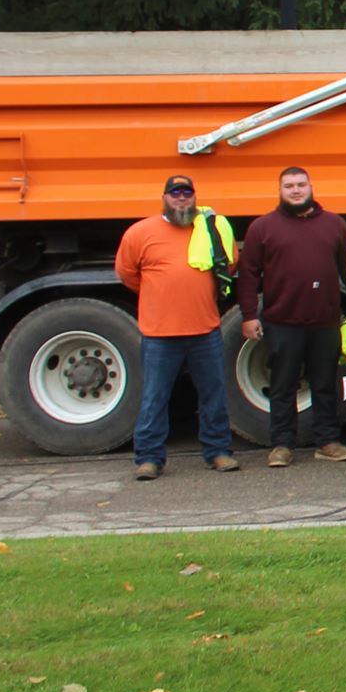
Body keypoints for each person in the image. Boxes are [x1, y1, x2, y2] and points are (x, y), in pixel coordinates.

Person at [117, 174, 240, 480]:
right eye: (175, 193)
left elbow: (228, 265)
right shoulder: (140, 233)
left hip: (205, 331)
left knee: (213, 396)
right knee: (154, 398)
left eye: (187, 193)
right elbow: (128, 274)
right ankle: (149, 458)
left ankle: (218, 452)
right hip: (160, 334)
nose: (182, 198)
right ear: (164, 198)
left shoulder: (209, 229)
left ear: (195, 197)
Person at [235, 165, 346, 466]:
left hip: (325, 321)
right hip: (282, 322)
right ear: (280, 190)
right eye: (289, 186)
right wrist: (249, 315)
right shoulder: (262, 228)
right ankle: (281, 445)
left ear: (311, 187)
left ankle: (327, 441)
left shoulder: (335, 225)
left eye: (301, 184)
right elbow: (248, 275)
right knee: (283, 386)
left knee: (325, 384)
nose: (296, 190)